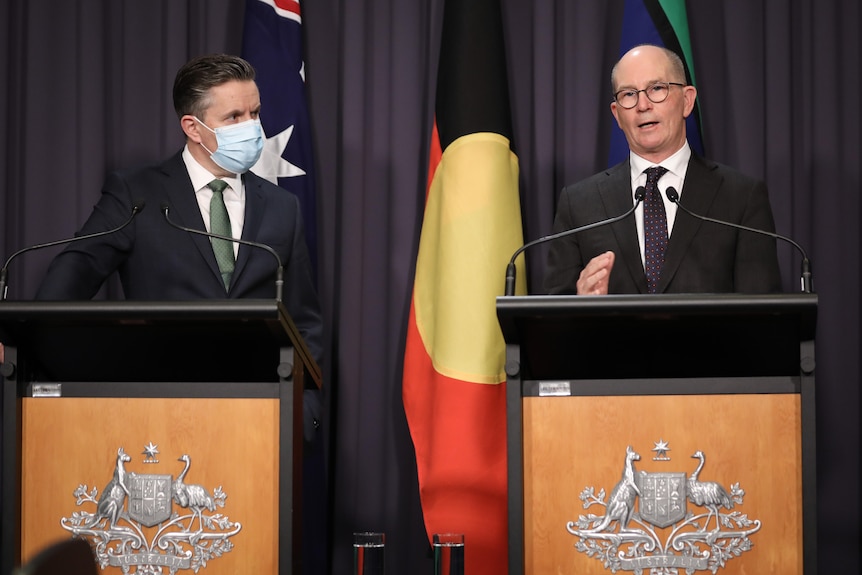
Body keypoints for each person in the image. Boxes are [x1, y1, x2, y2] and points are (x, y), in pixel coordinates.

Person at [544, 44, 782, 295]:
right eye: (628, 94)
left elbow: (763, 316)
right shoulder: (579, 204)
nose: (643, 105)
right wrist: (580, 308)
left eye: (657, 88)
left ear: (687, 100)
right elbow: (550, 323)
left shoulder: (741, 198)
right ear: (616, 114)